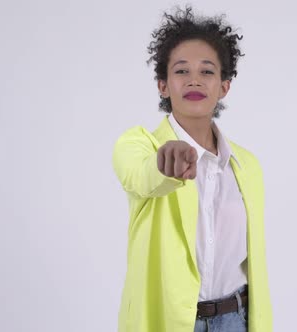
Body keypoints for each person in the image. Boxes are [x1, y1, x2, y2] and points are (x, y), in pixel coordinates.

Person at [112, 6, 272, 332]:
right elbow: (142, 176)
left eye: (207, 71)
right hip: (170, 322)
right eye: (182, 71)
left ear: (224, 87)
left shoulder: (247, 165)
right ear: (163, 85)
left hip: (237, 318)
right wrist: (165, 163)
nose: (194, 79)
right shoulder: (139, 146)